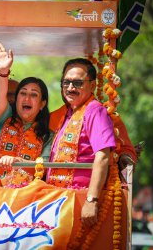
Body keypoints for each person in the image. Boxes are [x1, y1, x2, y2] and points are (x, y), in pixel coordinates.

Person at [47, 58, 116, 227]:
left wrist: (91, 200)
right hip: (60, 199)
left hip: (80, 199)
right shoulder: (68, 113)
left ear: (92, 86)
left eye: (77, 83)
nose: (70, 88)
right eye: (66, 82)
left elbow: (103, 156)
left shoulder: (94, 110)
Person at [0, 41, 52, 186]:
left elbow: (44, 167)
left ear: (42, 104)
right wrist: (3, 72)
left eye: (34, 95)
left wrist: (19, 161)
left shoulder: (48, 136)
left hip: (25, 202)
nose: (27, 98)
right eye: (23, 93)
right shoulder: (2, 119)